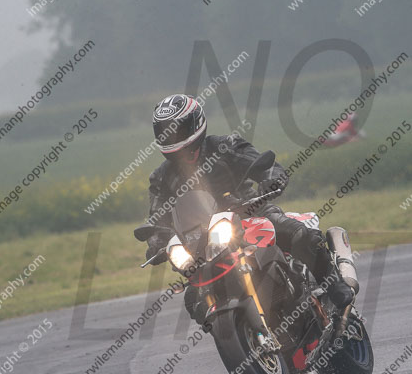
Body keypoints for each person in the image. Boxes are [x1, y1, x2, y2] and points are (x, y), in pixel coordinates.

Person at [143, 94, 353, 324]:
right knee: (194, 299)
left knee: (298, 234)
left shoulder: (225, 146)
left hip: (251, 213)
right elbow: (157, 217)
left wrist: (271, 177)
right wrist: (157, 240)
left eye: (177, 130)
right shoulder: (161, 177)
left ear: (196, 124)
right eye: (165, 132)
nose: (172, 137)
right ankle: (241, 331)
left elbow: (262, 164)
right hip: (204, 241)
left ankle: (334, 286)